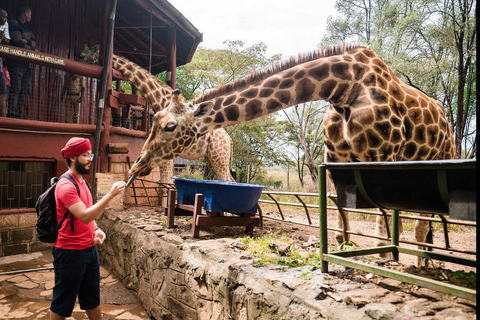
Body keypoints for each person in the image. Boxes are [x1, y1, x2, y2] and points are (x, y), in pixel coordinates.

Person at [50, 137, 126, 320]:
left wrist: (96, 230)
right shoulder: (66, 186)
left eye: (90, 154)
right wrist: (110, 195)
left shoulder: (84, 182)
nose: (90, 159)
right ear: (73, 158)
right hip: (69, 252)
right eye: (85, 155)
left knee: (92, 300)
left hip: (89, 250)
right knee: (62, 304)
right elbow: (84, 215)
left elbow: (89, 217)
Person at [7, 5, 36, 119]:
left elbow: (34, 42)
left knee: (26, 88)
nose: (30, 16)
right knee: (16, 87)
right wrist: (30, 45)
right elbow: (17, 41)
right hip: (15, 61)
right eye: (30, 14)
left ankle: (18, 112)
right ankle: (11, 113)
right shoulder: (14, 23)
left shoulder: (27, 27)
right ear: (25, 13)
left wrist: (27, 42)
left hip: (25, 63)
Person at [0, 8, 10, 117]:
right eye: (3, 17)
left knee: (2, 87)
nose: (5, 19)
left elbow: (7, 41)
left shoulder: (5, 24)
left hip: (0, 61)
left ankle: (3, 118)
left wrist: (3, 38)